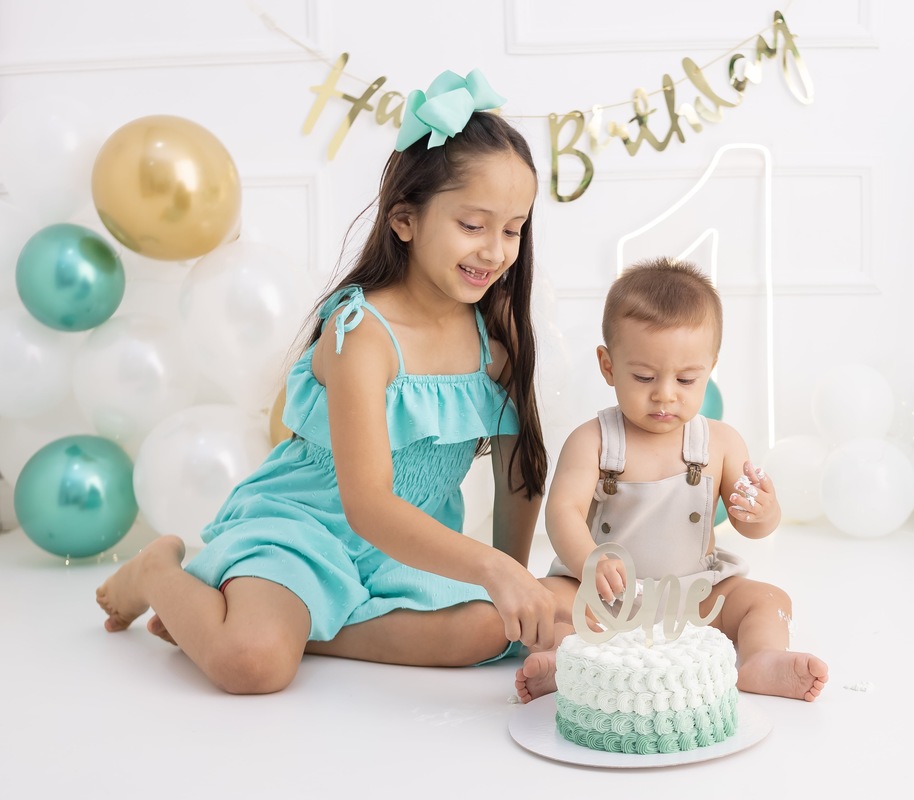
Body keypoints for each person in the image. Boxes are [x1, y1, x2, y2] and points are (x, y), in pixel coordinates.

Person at [96, 69, 561, 694]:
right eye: (473, 226)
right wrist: (491, 570)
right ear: (405, 220)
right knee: (252, 664)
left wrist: (515, 578)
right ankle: (160, 573)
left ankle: (299, 626)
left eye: (513, 229)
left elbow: (517, 473)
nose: (496, 251)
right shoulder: (363, 332)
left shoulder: (496, 339)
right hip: (302, 533)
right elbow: (367, 505)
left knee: (491, 632)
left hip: (401, 556)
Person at [514, 257, 828, 703]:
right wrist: (589, 561)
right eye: (644, 376)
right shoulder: (593, 441)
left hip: (693, 596)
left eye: (685, 379)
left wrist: (763, 513)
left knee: (769, 599)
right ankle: (566, 661)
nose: (665, 394)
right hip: (604, 595)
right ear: (608, 365)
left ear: (710, 368)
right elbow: (562, 512)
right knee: (545, 600)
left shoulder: (721, 442)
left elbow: (750, 526)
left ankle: (762, 659)